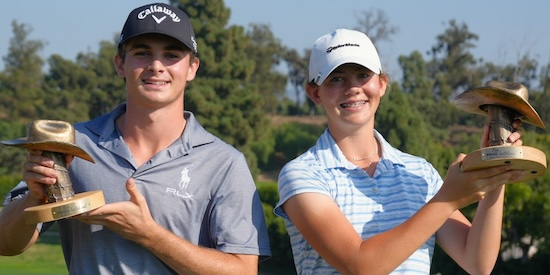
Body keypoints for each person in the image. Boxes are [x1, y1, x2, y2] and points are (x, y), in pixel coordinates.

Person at [0, 3, 271, 274]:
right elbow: (5, 244)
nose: (156, 66)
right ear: (120, 64)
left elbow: (243, 270)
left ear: (192, 68)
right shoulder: (73, 144)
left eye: (171, 55)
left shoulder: (223, 162)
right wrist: (32, 200)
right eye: (142, 53)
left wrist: (149, 234)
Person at [274, 28, 524, 275]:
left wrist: (496, 170)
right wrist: (448, 199)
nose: (353, 88)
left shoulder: (419, 172)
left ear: (382, 84)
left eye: (363, 75)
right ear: (314, 92)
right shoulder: (302, 174)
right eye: (336, 78)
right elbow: (360, 266)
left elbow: (477, 262)